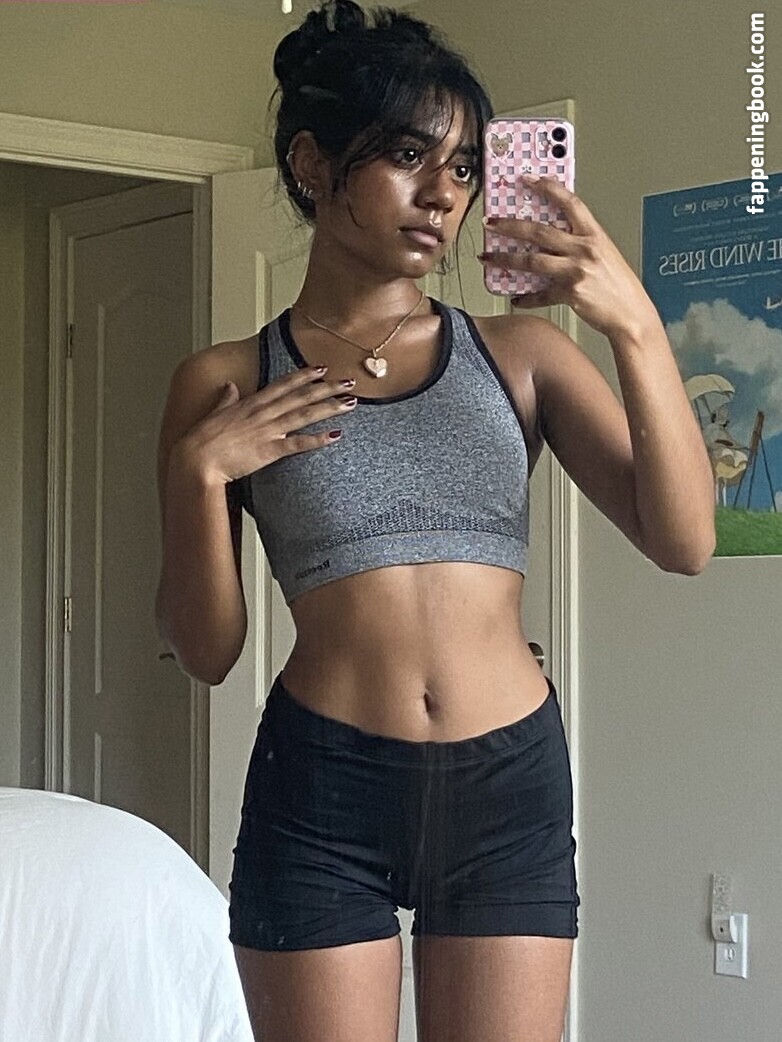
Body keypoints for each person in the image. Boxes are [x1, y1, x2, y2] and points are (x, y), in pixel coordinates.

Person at [155, 2, 716, 1040]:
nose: (443, 194)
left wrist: (633, 323)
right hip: (321, 793)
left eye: (463, 168)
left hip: (507, 792)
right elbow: (206, 651)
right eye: (408, 155)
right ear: (312, 163)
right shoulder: (226, 380)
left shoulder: (523, 356)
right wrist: (199, 475)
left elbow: (684, 542)